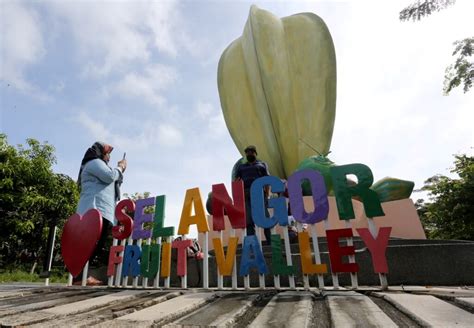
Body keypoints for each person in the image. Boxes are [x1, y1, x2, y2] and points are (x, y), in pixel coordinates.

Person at [75, 141, 127, 285]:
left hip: (103, 212)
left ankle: (82, 275)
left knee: (98, 244)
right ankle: (79, 277)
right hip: (93, 209)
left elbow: (113, 181)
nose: (109, 157)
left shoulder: (101, 166)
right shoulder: (94, 163)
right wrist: (120, 167)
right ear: (99, 152)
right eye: (107, 153)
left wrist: (119, 172)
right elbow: (110, 176)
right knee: (90, 243)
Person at [235, 145, 272, 245]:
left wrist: (267, 194)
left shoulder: (262, 164)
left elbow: (267, 180)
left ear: (255, 153)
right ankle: (253, 243)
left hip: (259, 192)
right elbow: (236, 181)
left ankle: (270, 241)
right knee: (249, 220)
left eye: (251, 151)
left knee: (265, 217)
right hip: (246, 194)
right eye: (247, 152)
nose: (249, 153)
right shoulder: (241, 167)